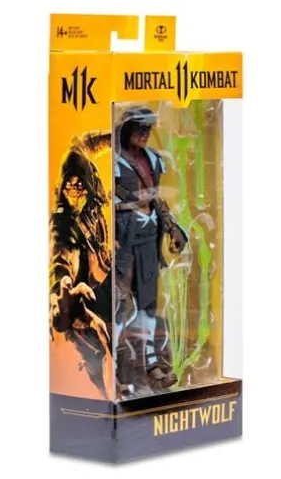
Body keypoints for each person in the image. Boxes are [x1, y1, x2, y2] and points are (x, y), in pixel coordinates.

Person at [114, 106, 189, 397]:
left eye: (148, 128)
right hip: (122, 240)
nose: (145, 133)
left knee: (147, 304)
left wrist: (172, 227)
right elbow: (110, 192)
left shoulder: (153, 159)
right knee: (119, 305)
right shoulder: (114, 161)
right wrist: (130, 200)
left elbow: (156, 198)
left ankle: (151, 364)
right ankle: (112, 370)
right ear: (127, 129)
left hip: (148, 237)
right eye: (140, 127)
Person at [49, 132, 113, 400]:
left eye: (79, 183)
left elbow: (86, 144)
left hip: (108, 284)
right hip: (86, 302)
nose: (74, 189)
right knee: (97, 362)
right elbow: (60, 259)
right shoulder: (63, 224)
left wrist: (117, 137)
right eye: (69, 184)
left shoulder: (94, 206)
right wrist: (61, 288)